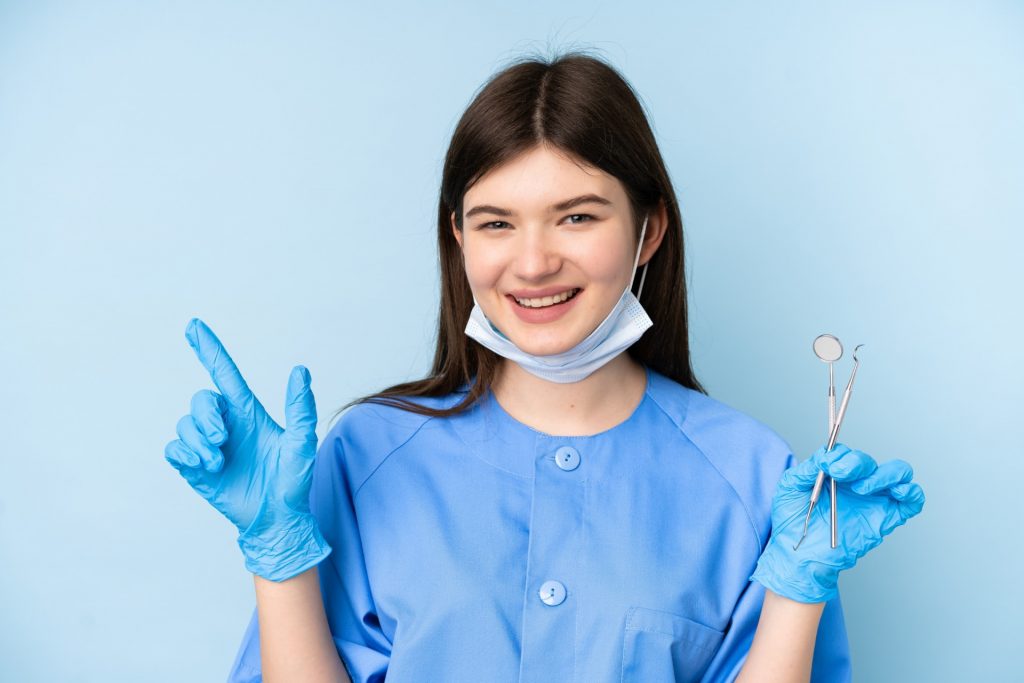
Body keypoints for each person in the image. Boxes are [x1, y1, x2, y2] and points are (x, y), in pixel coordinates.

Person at [165, 51, 925, 683]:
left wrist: (795, 592)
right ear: (459, 238)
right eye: (497, 223)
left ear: (649, 229)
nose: (533, 263)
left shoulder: (755, 477)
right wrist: (280, 555)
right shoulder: (367, 456)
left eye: (578, 216)